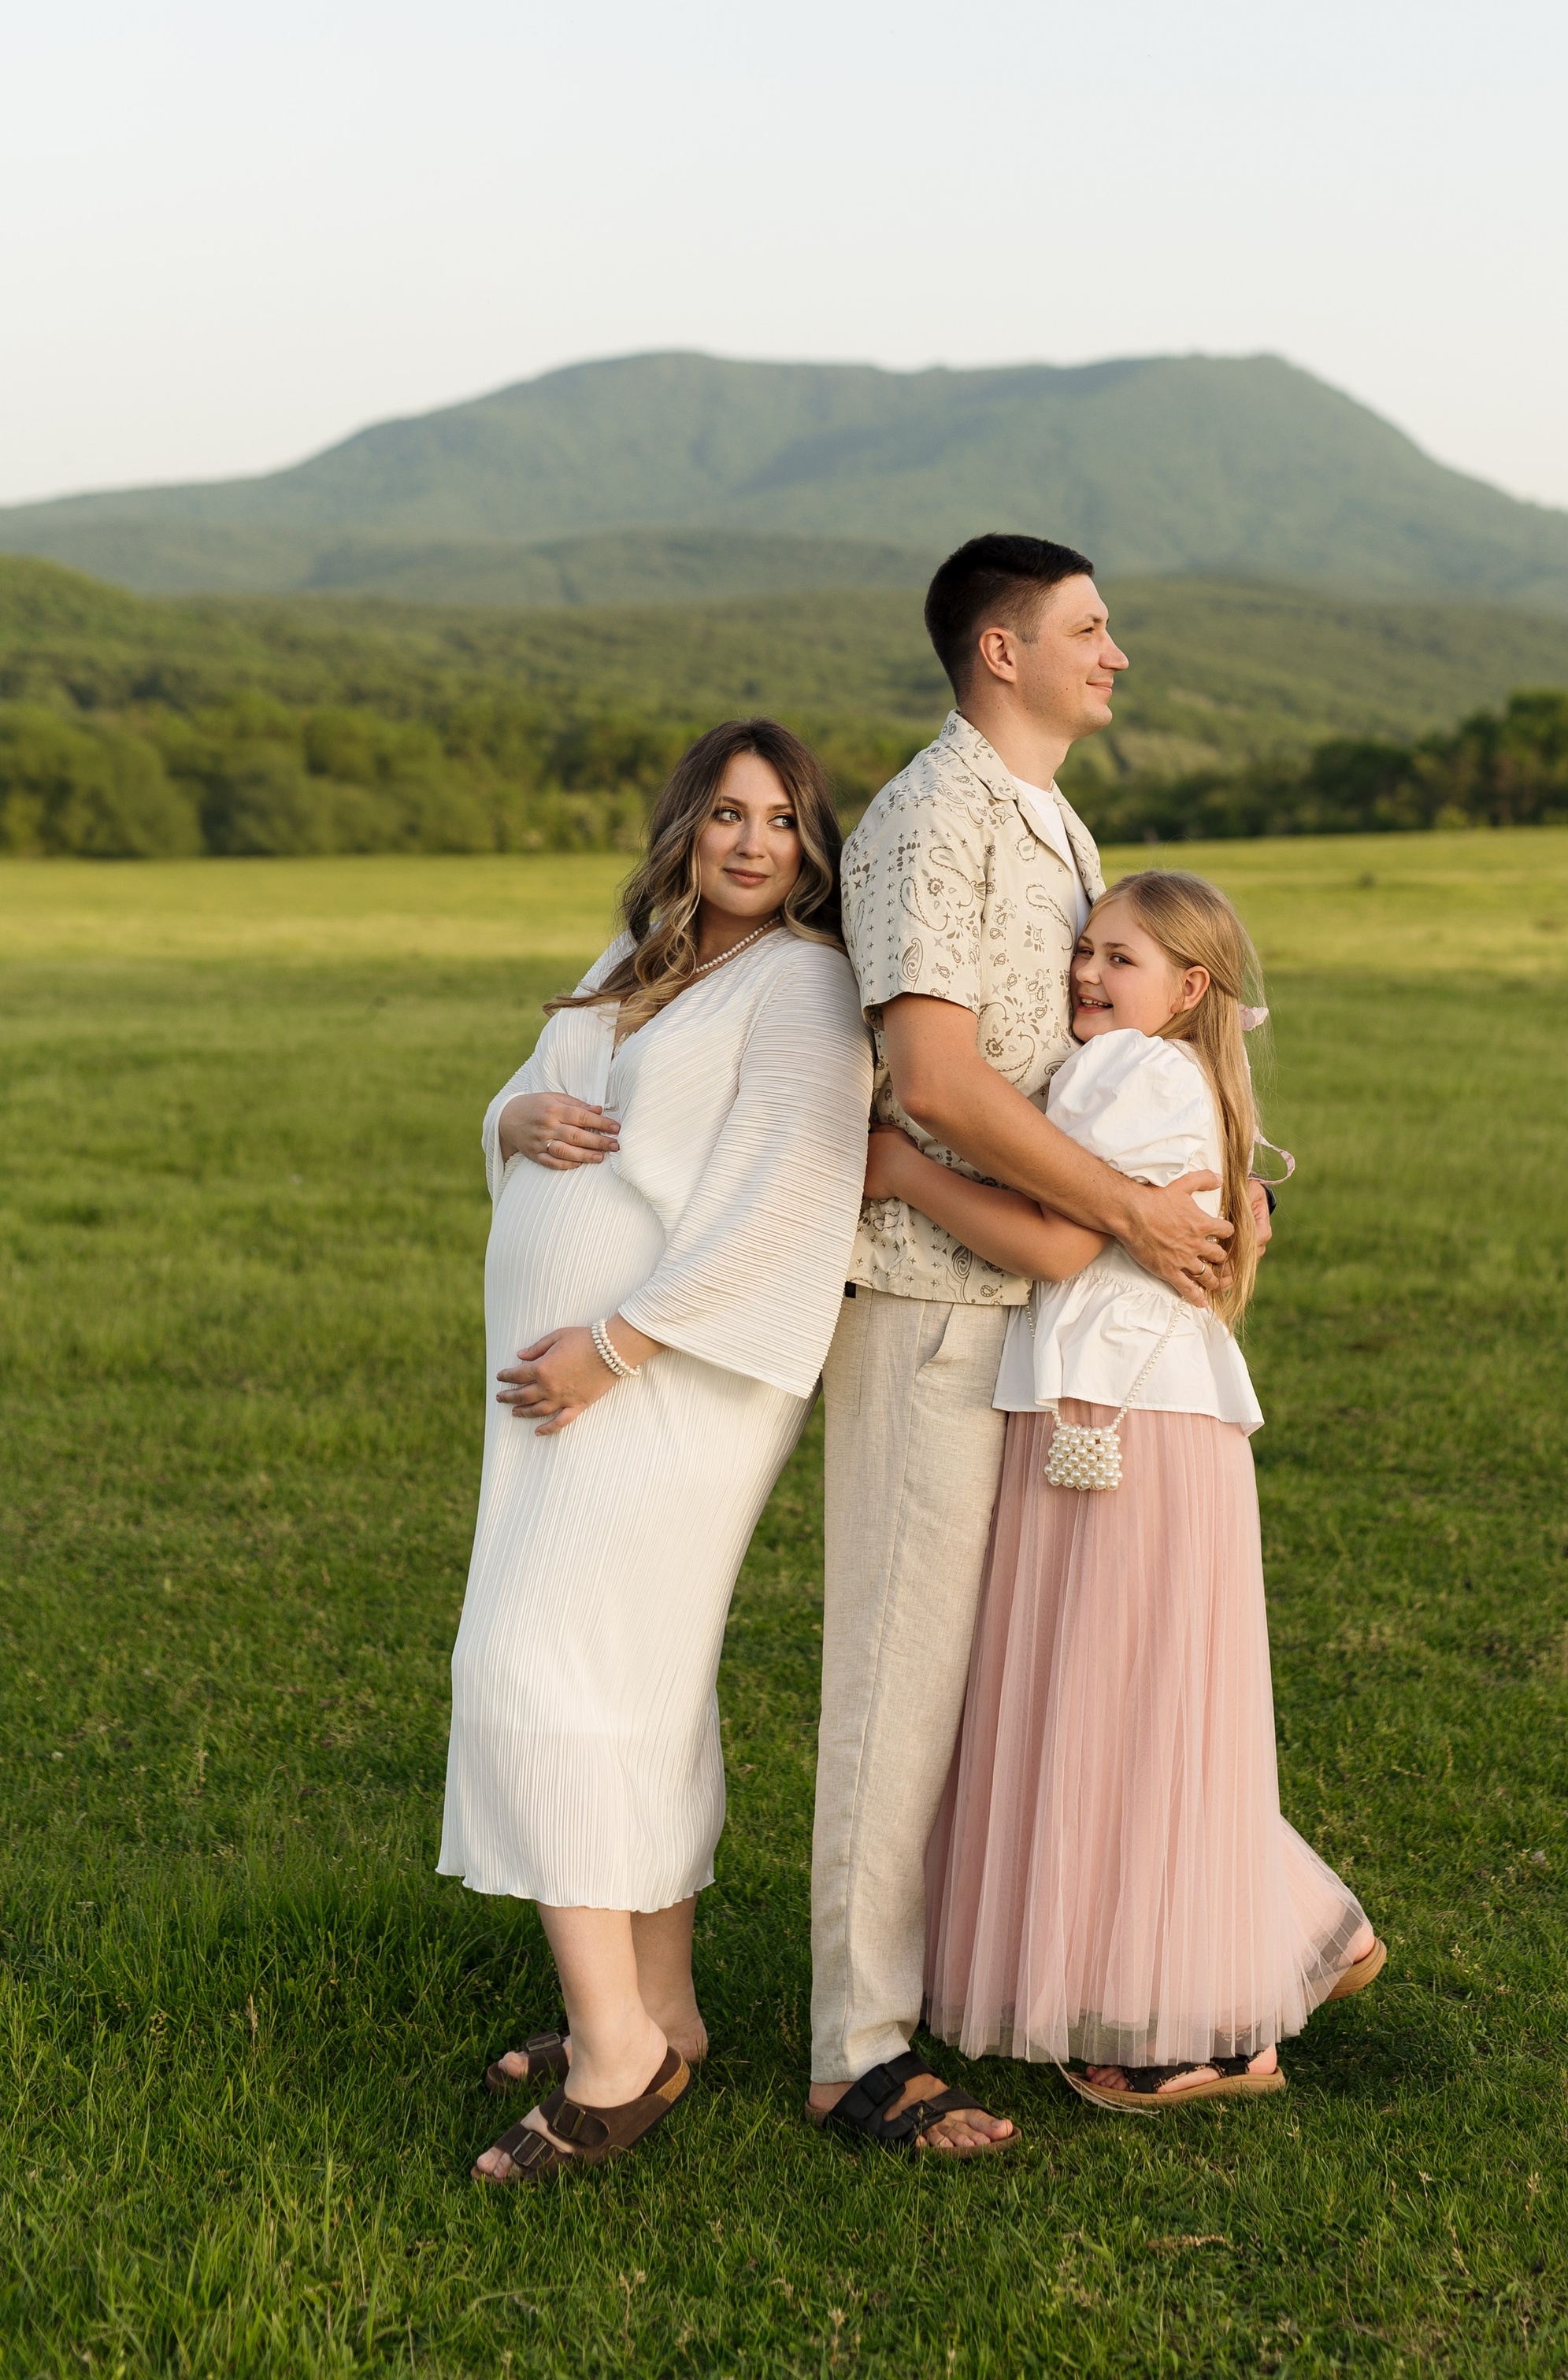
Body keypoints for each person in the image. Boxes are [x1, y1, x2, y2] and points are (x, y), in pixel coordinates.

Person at [806, 535, 1265, 2160]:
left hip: (1035, 1327)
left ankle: (1205, 1924)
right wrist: (1128, 1220)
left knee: (1025, 1681)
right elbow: (930, 1078)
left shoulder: (1056, 829)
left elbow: (1108, 1058)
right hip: (933, 1298)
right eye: (1088, 626)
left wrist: (1206, 1186)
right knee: (895, 1670)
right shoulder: (932, 816)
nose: (1116, 650)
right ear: (999, 650)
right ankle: (856, 2051)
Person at [873, 868, 1384, 2108]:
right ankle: (1300, 1926)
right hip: (1150, 1418)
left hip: (1115, 1426)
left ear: (1191, 988)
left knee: (1117, 1702)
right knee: (1150, 1697)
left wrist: (898, 1169)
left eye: (1123, 960)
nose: (1088, 976)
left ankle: (1205, 2029)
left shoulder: (1125, 1076)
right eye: (1085, 952)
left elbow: (1057, 1243)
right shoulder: (1182, 1081)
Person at [440, 718, 872, 2186]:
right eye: (730, 814)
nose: (755, 843)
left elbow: (783, 1204)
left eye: (786, 821)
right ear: (687, 827)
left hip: (669, 1387)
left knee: (531, 1666)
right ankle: (658, 2011)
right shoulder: (634, 972)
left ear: (813, 851)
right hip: (567, 1396)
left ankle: (614, 2061)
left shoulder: (805, 985)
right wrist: (513, 1111)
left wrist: (615, 1347)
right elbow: (510, 1096)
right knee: (630, 1680)